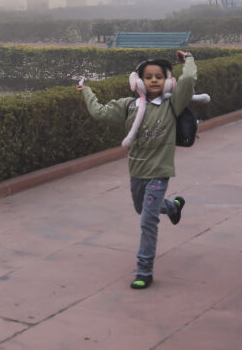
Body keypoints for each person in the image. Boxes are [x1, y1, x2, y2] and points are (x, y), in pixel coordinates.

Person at [78, 50, 196, 290]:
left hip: (159, 171)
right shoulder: (129, 106)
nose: (154, 80)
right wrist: (87, 92)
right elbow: (99, 112)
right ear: (139, 81)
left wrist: (189, 59)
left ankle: (144, 270)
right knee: (141, 208)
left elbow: (189, 79)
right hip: (136, 171)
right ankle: (172, 206)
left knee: (147, 221)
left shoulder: (172, 104)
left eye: (159, 76)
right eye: (149, 76)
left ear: (167, 81)